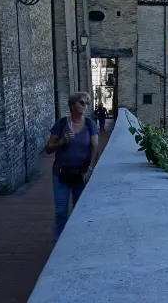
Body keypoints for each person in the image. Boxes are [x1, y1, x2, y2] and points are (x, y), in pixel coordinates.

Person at [45, 92, 99, 241]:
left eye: (87, 103)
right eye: (82, 103)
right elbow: (48, 149)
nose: (85, 106)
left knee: (79, 210)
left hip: (81, 174)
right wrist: (61, 142)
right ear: (72, 105)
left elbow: (95, 146)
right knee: (61, 211)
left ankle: (76, 240)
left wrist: (89, 168)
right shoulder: (62, 124)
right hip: (61, 173)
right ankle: (59, 242)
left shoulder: (90, 124)